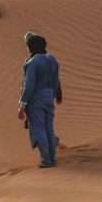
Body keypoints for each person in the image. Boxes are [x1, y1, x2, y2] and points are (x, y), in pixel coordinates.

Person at [17, 32, 62, 168]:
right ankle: (52, 159)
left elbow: (28, 85)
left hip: (36, 99)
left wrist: (22, 105)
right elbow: (56, 80)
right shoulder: (52, 59)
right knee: (49, 128)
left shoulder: (32, 63)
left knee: (39, 129)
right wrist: (55, 95)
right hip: (49, 97)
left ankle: (46, 160)